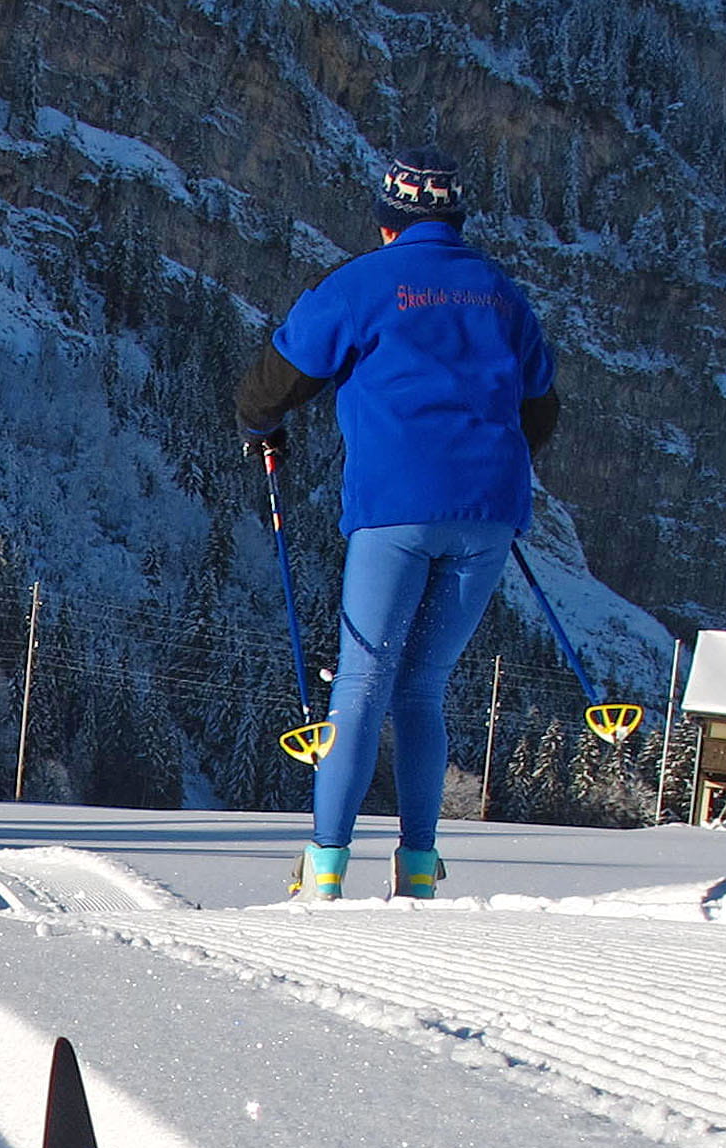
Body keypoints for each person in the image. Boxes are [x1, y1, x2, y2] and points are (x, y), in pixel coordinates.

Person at [236, 150, 559, 901]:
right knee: (424, 687)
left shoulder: (363, 285)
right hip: (489, 516)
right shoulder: (501, 294)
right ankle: (417, 869)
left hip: (395, 510)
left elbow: (277, 377)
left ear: (387, 222)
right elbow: (540, 407)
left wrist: (260, 426)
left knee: (362, 682)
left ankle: (324, 871)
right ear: (456, 219)